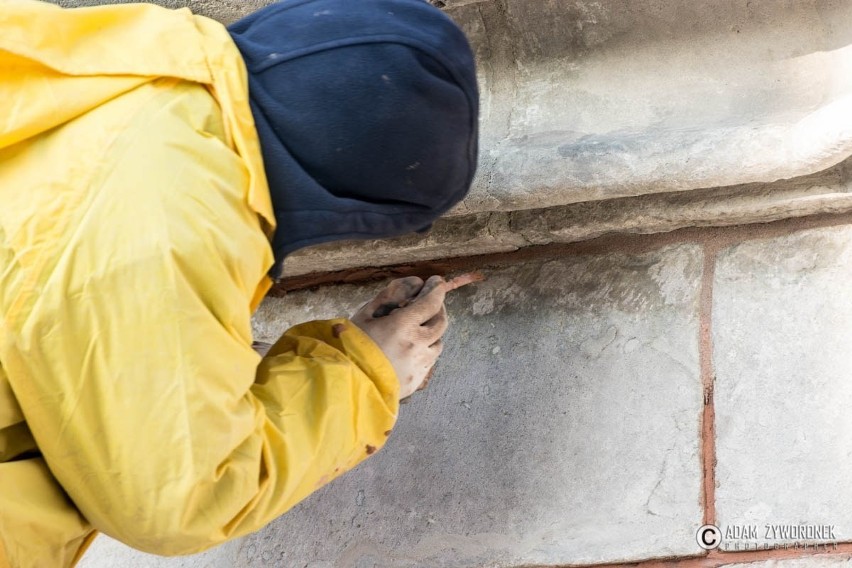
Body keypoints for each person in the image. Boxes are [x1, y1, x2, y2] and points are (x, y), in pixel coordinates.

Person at [0, 0, 479, 566]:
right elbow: (178, 498)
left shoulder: (133, 73)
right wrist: (367, 372)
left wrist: (222, 359)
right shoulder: (174, 225)